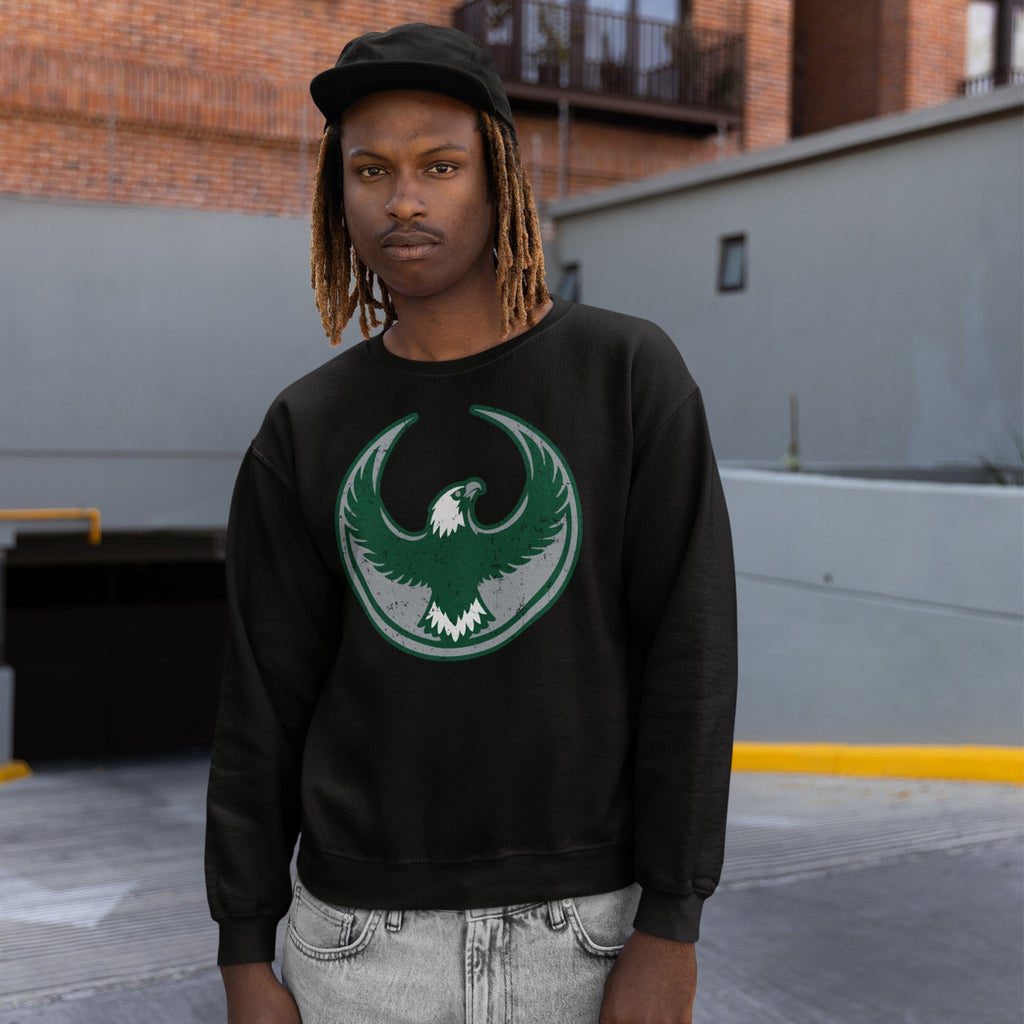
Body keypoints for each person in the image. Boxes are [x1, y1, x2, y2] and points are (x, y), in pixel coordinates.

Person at [205, 22, 737, 1024]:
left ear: (497, 179)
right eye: (370, 170)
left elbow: (691, 661)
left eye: (438, 165)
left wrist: (671, 925)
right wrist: (244, 952)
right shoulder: (306, 426)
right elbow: (259, 710)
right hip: (360, 947)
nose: (401, 199)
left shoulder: (625, 377)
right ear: (338, 197)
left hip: (584, 935)